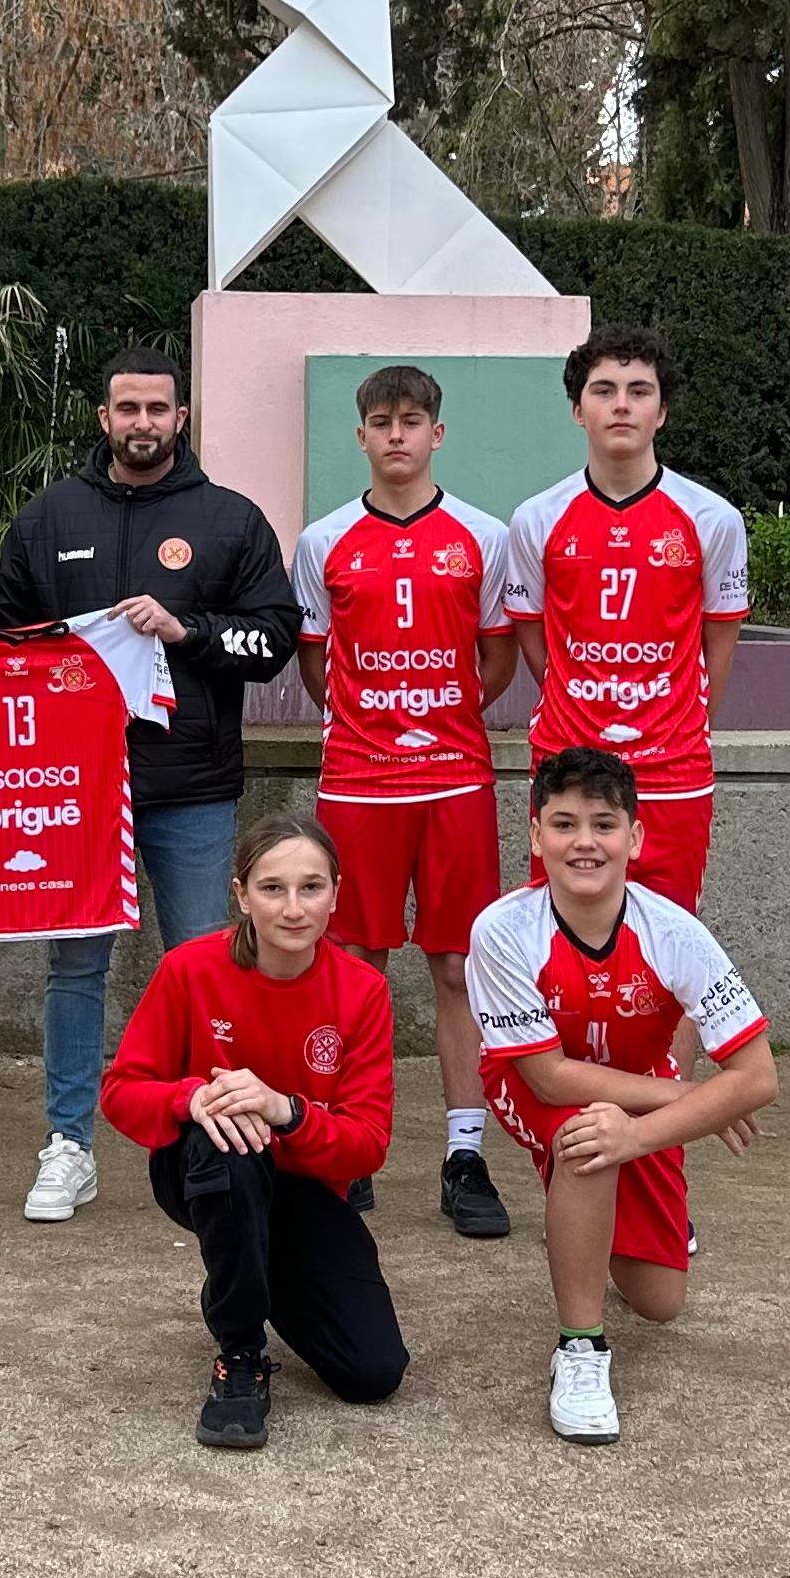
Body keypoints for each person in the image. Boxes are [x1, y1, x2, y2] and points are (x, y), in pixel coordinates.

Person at [0, 345, 300, 1223]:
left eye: (157, 409)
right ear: (103, 418)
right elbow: (7, 648)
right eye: (126, 409)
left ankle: (221, 1133)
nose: (142, 424)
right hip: (75, 789)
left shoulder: (230, 520)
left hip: (192, 787)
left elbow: (271, 641)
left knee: (210, 963)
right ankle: (69, 1143)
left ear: (182, 418)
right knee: (75, 964)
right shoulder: (48, 517)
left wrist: (186, 630)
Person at [467, 746, 779, 1446]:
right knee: (588, 1137)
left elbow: (758, 1078)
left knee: (661, 1303)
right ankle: (580, 1349)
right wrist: (676, 1104)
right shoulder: (502, 930)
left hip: (640, 1098)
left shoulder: (675, 931)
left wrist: (648, 1126)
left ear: (635, 839)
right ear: (534, 835)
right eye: (564, 823)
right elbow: (547, 1076)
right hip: (531, 1082)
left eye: (604, 824)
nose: (584, 842)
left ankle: (584, 1223)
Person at [292, 363, 521, 1239]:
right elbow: (318, 664)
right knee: (355, 967)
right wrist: (371, 724)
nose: (397, 435)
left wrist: (444, 715)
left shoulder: (482, 536)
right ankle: (349, 1149)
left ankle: (465, 1157)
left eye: (412, 420)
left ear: (438, 433)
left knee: (461, 967)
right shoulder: (323, 541)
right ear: (360, 436)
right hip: (358, 781)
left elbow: (495, 659)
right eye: (381, 421)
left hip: (455, 778)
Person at [98, 814, 408, 1450]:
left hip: (302, 1184)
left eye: (310, 887)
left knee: (372, 1371)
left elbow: (369, 1141)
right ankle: (239, 1356)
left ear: (336, 892)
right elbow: (121, 1093)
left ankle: (246, 1268)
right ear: (241, 895)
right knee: (230, 1136)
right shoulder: (189, 969)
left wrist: (287, 1109)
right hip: (201, 1168)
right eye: (272, 888)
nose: (293, 908)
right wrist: (195, 1097)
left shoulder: (364, 991)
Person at [504, 329, 749, 897]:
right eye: (604, 390)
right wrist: (578, 703)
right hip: (569, 761)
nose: (621, 404)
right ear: (577, 410)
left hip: (672, 769)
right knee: (563, 929)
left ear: (661, 412)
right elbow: (534, 639)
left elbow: (720, 649)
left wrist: (673, 719)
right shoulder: (536, 518)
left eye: (639, 391)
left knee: (670, 936)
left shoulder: (712, 518)